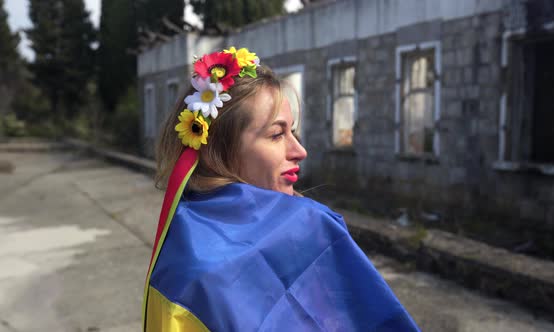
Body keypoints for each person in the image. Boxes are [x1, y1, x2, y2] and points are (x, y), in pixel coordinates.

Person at [142, 47, 420, 332]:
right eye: (276, 134)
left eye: (293, 132)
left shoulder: (179, 260)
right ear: (218, 151)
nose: (300, 151)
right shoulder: (313, 229)